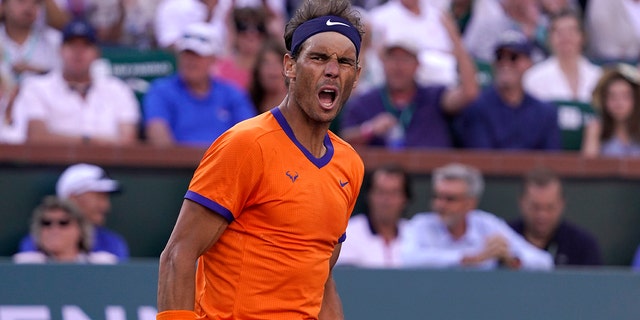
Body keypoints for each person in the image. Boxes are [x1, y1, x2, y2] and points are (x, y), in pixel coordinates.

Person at [156, 0, 365, 319]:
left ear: (356, 75)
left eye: (345, 61)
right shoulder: (246, 144)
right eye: (319, 57)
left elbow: (321, 280)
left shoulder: (350, 165)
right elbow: (178, 255)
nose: (332, 70)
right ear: (290, 65)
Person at [340, 12, 478, 149]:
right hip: (380, 170)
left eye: (405, 59)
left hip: (431, 169)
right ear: (383, 62)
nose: (398, 66)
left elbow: (469, 93)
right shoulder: (366, 101)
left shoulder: (433, 97)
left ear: (418, 65)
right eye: (392, 58)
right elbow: (342, 140)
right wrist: (369, 130)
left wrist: (456, 40)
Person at [11, 18, 140, 145]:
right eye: (72, 45)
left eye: (86, 45)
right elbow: (37, 137)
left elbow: (128, 141)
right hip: (53, 164)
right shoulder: (36, 87)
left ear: (97, 53)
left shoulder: (118, 89)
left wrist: (77, 141)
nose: (78, 52)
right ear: (60, 50)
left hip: (110, 165)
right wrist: (88, 141)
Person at [401, 163, 553, 270]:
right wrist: (467, 259)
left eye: (450, 199)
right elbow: (406, 259)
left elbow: (544, 262)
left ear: (470, 203)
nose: (440, 205)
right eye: (437, 197)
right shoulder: (420, 225)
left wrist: (511, 259)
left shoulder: (488, 225)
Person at [143, 22, 256, 147]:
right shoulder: (161, 91)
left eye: (198, 55)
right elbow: (158, 135)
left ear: (213, 59)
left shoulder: (233, 94)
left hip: (226, 164)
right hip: (177, 165)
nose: (190, 61)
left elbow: (248, 137)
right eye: (186, 54)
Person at [456, 30, 561, 150]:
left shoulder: (545, 113)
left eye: (513, 57)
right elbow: (482, 160)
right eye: (499, 57)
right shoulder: (478, 108)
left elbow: (551, 162)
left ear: (529, 63)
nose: (505, 63)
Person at [18, 163, 130, 262]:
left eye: (63, 223)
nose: (105, 206)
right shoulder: (34, 245)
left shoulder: (112, 244)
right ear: (72, 198)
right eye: (98, 197)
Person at [509, 166, 602, 266]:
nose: (542, 214)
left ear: (561, 205)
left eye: (550, 207)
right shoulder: (505, 238)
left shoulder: (582, 246)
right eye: (535, 207)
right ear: (522, 203)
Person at [337, 163, 412, 268]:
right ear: (369, 196)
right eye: (381, 192)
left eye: (394, 193)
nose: (387, 200)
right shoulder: (348, 232)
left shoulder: (414, 232)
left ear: (405, 199)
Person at [13, 196, 118, 264]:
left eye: (63, 222)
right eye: (46, 223)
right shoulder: (25, 263)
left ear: (80, 229)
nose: (54, 229)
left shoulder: (101, 263)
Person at [581, 64, 640, 157]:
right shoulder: (596, 129)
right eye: (612, 97)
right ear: (604, 101)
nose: (619, 103)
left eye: (625, 96)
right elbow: (588, 167)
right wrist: (594, 134)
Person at [0, 0, 61, 84]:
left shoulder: (54, 40)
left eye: (36, 2)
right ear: (3, 6)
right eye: (22, 1)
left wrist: (41, 73)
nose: (29, 7)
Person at [247, 37, 288, 114]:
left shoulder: (299, 104)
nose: (272, 69)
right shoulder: (248, 103)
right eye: (266, 63)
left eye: (277, 62)